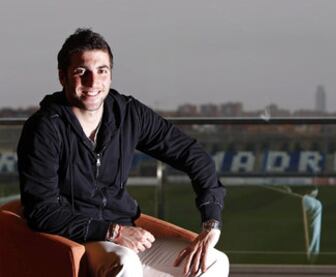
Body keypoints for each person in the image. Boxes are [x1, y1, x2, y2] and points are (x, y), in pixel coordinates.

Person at [17, 28, 229, 277]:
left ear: (110, 75)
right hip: (78, 238)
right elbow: (42, 212)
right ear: (62, 76)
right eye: (80, 72)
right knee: (125, 262)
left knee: (215, 261)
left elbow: (193, 155)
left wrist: (211, 222)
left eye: (101, 71)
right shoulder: (44, 128)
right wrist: (112, 232)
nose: (92, 82)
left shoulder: (127, 113)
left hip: (127, 231)